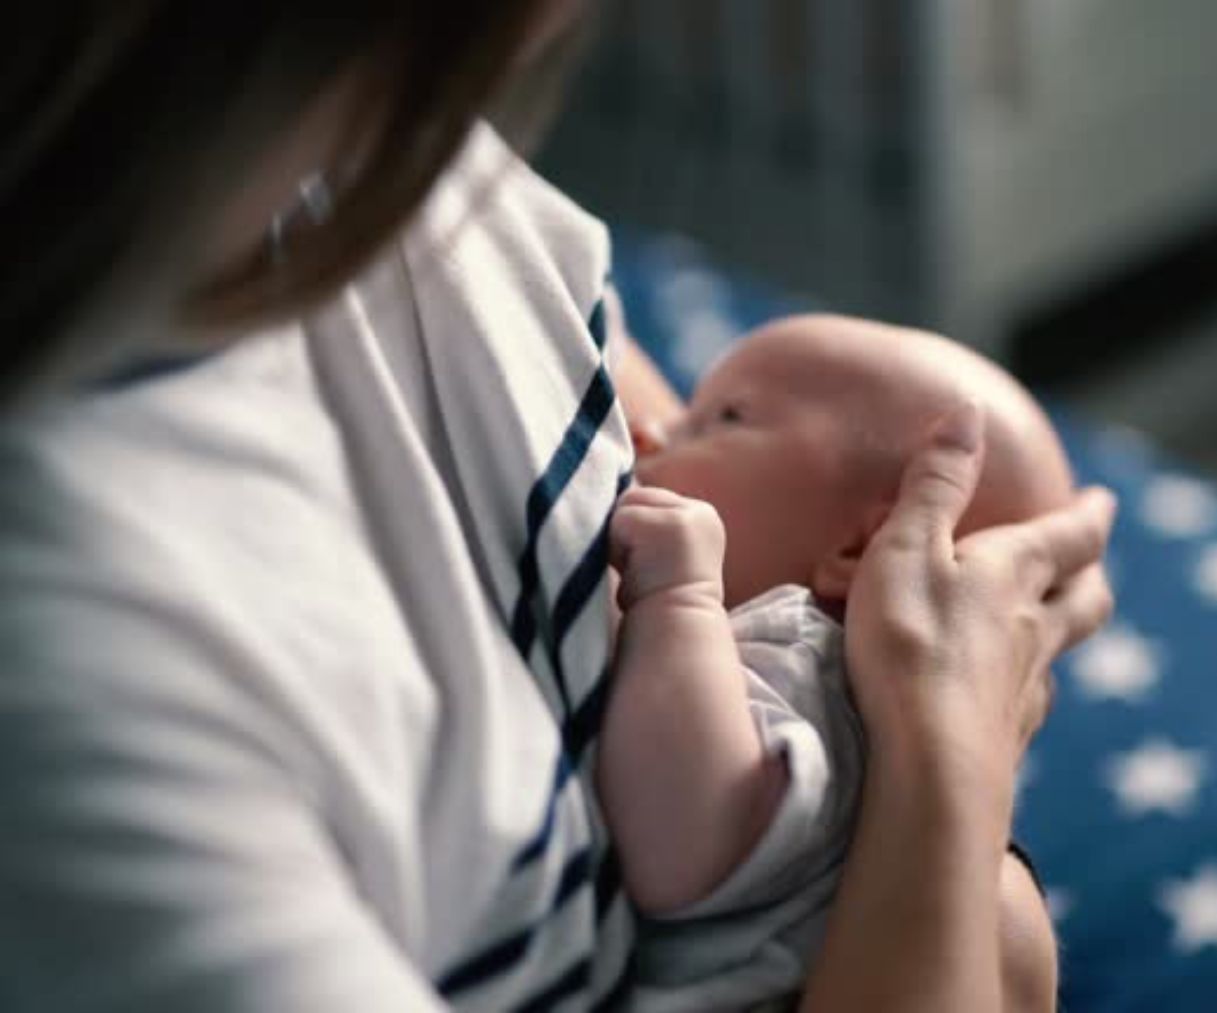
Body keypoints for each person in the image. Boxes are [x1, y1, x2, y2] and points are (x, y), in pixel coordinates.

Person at [0, 6, 1116, 1012]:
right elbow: (693, 834)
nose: (662, 435)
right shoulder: (83, 696)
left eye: (722, 418)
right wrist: (950, 737)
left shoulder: (399, 166)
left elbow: (660, 463)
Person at [599, 314, 1078, 1009]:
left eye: (723, 417)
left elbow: (680, 848)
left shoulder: (807, 666)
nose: (652, 428)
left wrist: (680, 599)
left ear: (862, 548)